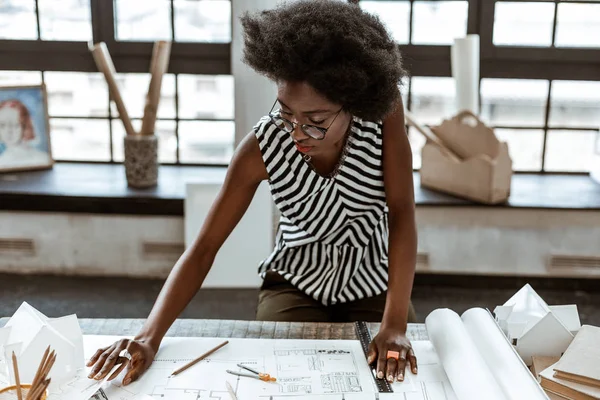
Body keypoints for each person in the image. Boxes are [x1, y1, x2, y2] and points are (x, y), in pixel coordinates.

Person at [88, 0, 418, 388]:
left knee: (400, 380)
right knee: (280, 381)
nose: (295, 131)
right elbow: (203, 249)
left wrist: (394, 322)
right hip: (296, 282)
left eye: (315, 121)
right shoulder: (260, 150)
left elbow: (401, 212)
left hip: (375, 280)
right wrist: (148, 337)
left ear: (353, 104)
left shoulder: (383, 120)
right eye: (286, 112)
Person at [0, 99, 51, 168]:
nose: (9, 131)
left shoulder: (42, 159)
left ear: (25, 126)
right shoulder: (2, 161)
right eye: (2, 125)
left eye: (15, 125)